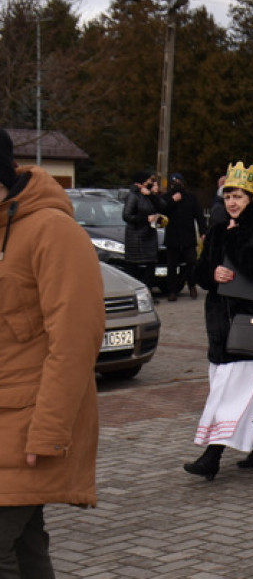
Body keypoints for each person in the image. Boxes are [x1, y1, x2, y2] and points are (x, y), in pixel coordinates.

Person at [0, 130, 105, 577]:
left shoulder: (52, 230)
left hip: (28, 422)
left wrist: (48, 432)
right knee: (25, 547)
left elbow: (76, 342)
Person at [185, 162, 253, 479]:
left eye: (238, 196)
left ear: (252, 198)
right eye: (228, 196)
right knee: (242, 393)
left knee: (229, 395)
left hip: (251, 325)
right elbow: (199, 271)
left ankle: (212, 455)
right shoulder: (218, 228)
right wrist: (211, 274)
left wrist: (234, 238)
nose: (232, 202)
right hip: (220, 326)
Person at [160, 172, 206, 301]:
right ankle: (172, 290)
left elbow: (199, 215)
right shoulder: (166, 197)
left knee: (191, 262)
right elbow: (162, 211)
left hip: (188, 237)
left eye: (179, 182)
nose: (177, 185)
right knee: (171, 266)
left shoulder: (191, 197)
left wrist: (203, 232)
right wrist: (172, 201)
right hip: (172, 237)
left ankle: (192, 285)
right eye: (174, 183)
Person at [122, 171, 161, 290]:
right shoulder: (133, 196)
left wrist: (152, 195)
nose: (150, 183)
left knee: (150, 266)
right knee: (134, 268)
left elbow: (162, 206)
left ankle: (148, 290)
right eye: (148, 180)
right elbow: (127, 216)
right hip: (136, 238)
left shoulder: (148, 195)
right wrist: (145, 219)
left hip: (150, 236)